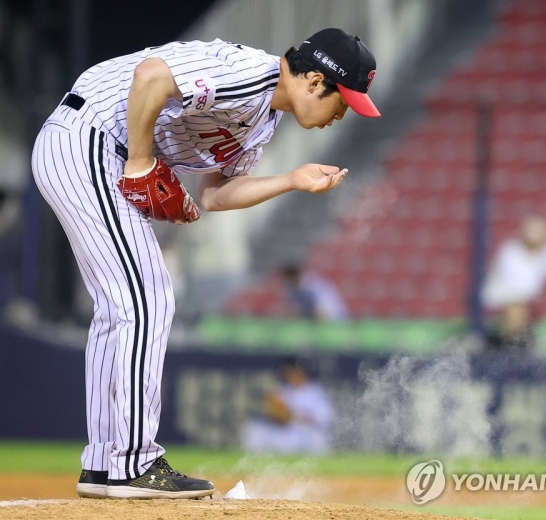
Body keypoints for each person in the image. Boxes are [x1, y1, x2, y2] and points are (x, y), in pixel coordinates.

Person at [31, 28, 379, 500]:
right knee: (146, 300)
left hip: (91, 150)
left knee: (121, 309)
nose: (341, 115)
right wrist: (139, 162)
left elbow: (215, 194)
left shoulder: (263, 120)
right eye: (343, 102)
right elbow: (151, 76)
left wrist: (292, 179)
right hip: (90, 139)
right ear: (316, 81)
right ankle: (133, 462)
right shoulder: (248, 76)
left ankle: (104, 462)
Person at [481, 215, 546, 349]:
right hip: (506, 297)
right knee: (515, 310)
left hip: (528, 302)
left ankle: (520, 343)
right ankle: (506, 343)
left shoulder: (545, 252)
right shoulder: (511, 249)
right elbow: (515, 282)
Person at [243, 356, 335, 454]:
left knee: (317, 437)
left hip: (305, 434)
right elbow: (275, 418)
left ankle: (320, 466)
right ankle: (252, 465)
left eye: (292, 370)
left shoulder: (316, 392)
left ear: (301, 371)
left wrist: (293, 416)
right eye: (288, 371)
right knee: (254, 428)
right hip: (285, 433)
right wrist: (277, 414)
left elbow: (325, 419)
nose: (289, 374)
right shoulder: (282, 390)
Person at [280, 264, 349, 321]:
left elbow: (320, 310)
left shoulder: (311, 284)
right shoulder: (290, 287)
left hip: (334, 318)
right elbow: (293, 309)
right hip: (314, 318)